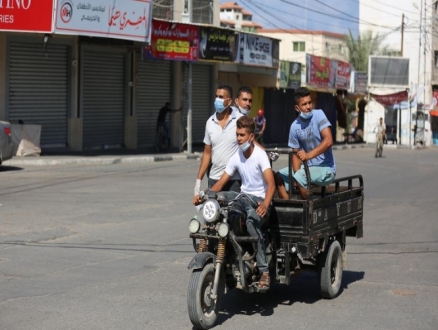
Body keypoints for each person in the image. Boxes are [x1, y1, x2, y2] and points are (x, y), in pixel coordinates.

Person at [193, 116, 275, 290]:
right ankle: (227, 253)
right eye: (237, 134)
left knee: (252, 222)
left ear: (251, 137)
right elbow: (221, 183)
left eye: (242, 135)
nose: (238, 138)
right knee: (218, 202)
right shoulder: (237, 155)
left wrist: (265, 204)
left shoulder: (260, 156)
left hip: (259, 200)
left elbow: (271, 184)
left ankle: (264, 271)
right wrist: (204, 195)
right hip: (242, 198)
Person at [274, 87, 336, 200]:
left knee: (299, 177)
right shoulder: (294, 127)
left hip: (325, 168)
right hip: (307, 169)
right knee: (278, 176)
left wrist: (308, 156)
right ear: (297, 108)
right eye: (304, 104)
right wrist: (297, 173)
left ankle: (309, 212)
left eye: (309, 103)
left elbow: (328, 140)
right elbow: (295, 154)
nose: (308, 107)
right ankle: (289, 207)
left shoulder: (319, 115)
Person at [194, 84, 243, 196]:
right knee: (213, 212)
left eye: (221, 97)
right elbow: (207, 153)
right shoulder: (210, 122)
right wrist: (198, 179)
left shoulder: (239, 120)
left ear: (229, 101)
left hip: (233, 180)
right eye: (216, 96)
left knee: (233, 212)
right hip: (214, 178)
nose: (217, 100)